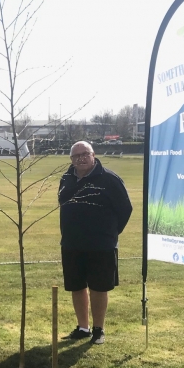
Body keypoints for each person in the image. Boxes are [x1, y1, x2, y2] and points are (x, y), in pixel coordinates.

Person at [58, 141, 132, 345]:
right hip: (72, 243)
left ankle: (99, 330)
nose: (80, 158)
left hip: (101, 245)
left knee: (99, 287)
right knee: (76, 286)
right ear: (71, 159)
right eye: (76, 156)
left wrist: (110, 233)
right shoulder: (66, 178)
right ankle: (83, 328)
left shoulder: (109, 179)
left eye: (85, 154)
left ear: (93, 155)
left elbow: (125, 209)